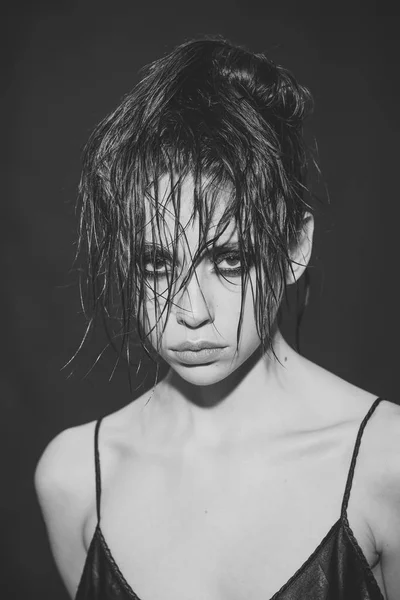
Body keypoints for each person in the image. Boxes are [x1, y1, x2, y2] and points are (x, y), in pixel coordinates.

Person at [35, 37, 400, 600]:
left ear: (296, 244)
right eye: (156, 265)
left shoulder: (386, 462)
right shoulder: (75, 478)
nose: (191, 311)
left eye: (229, 260)